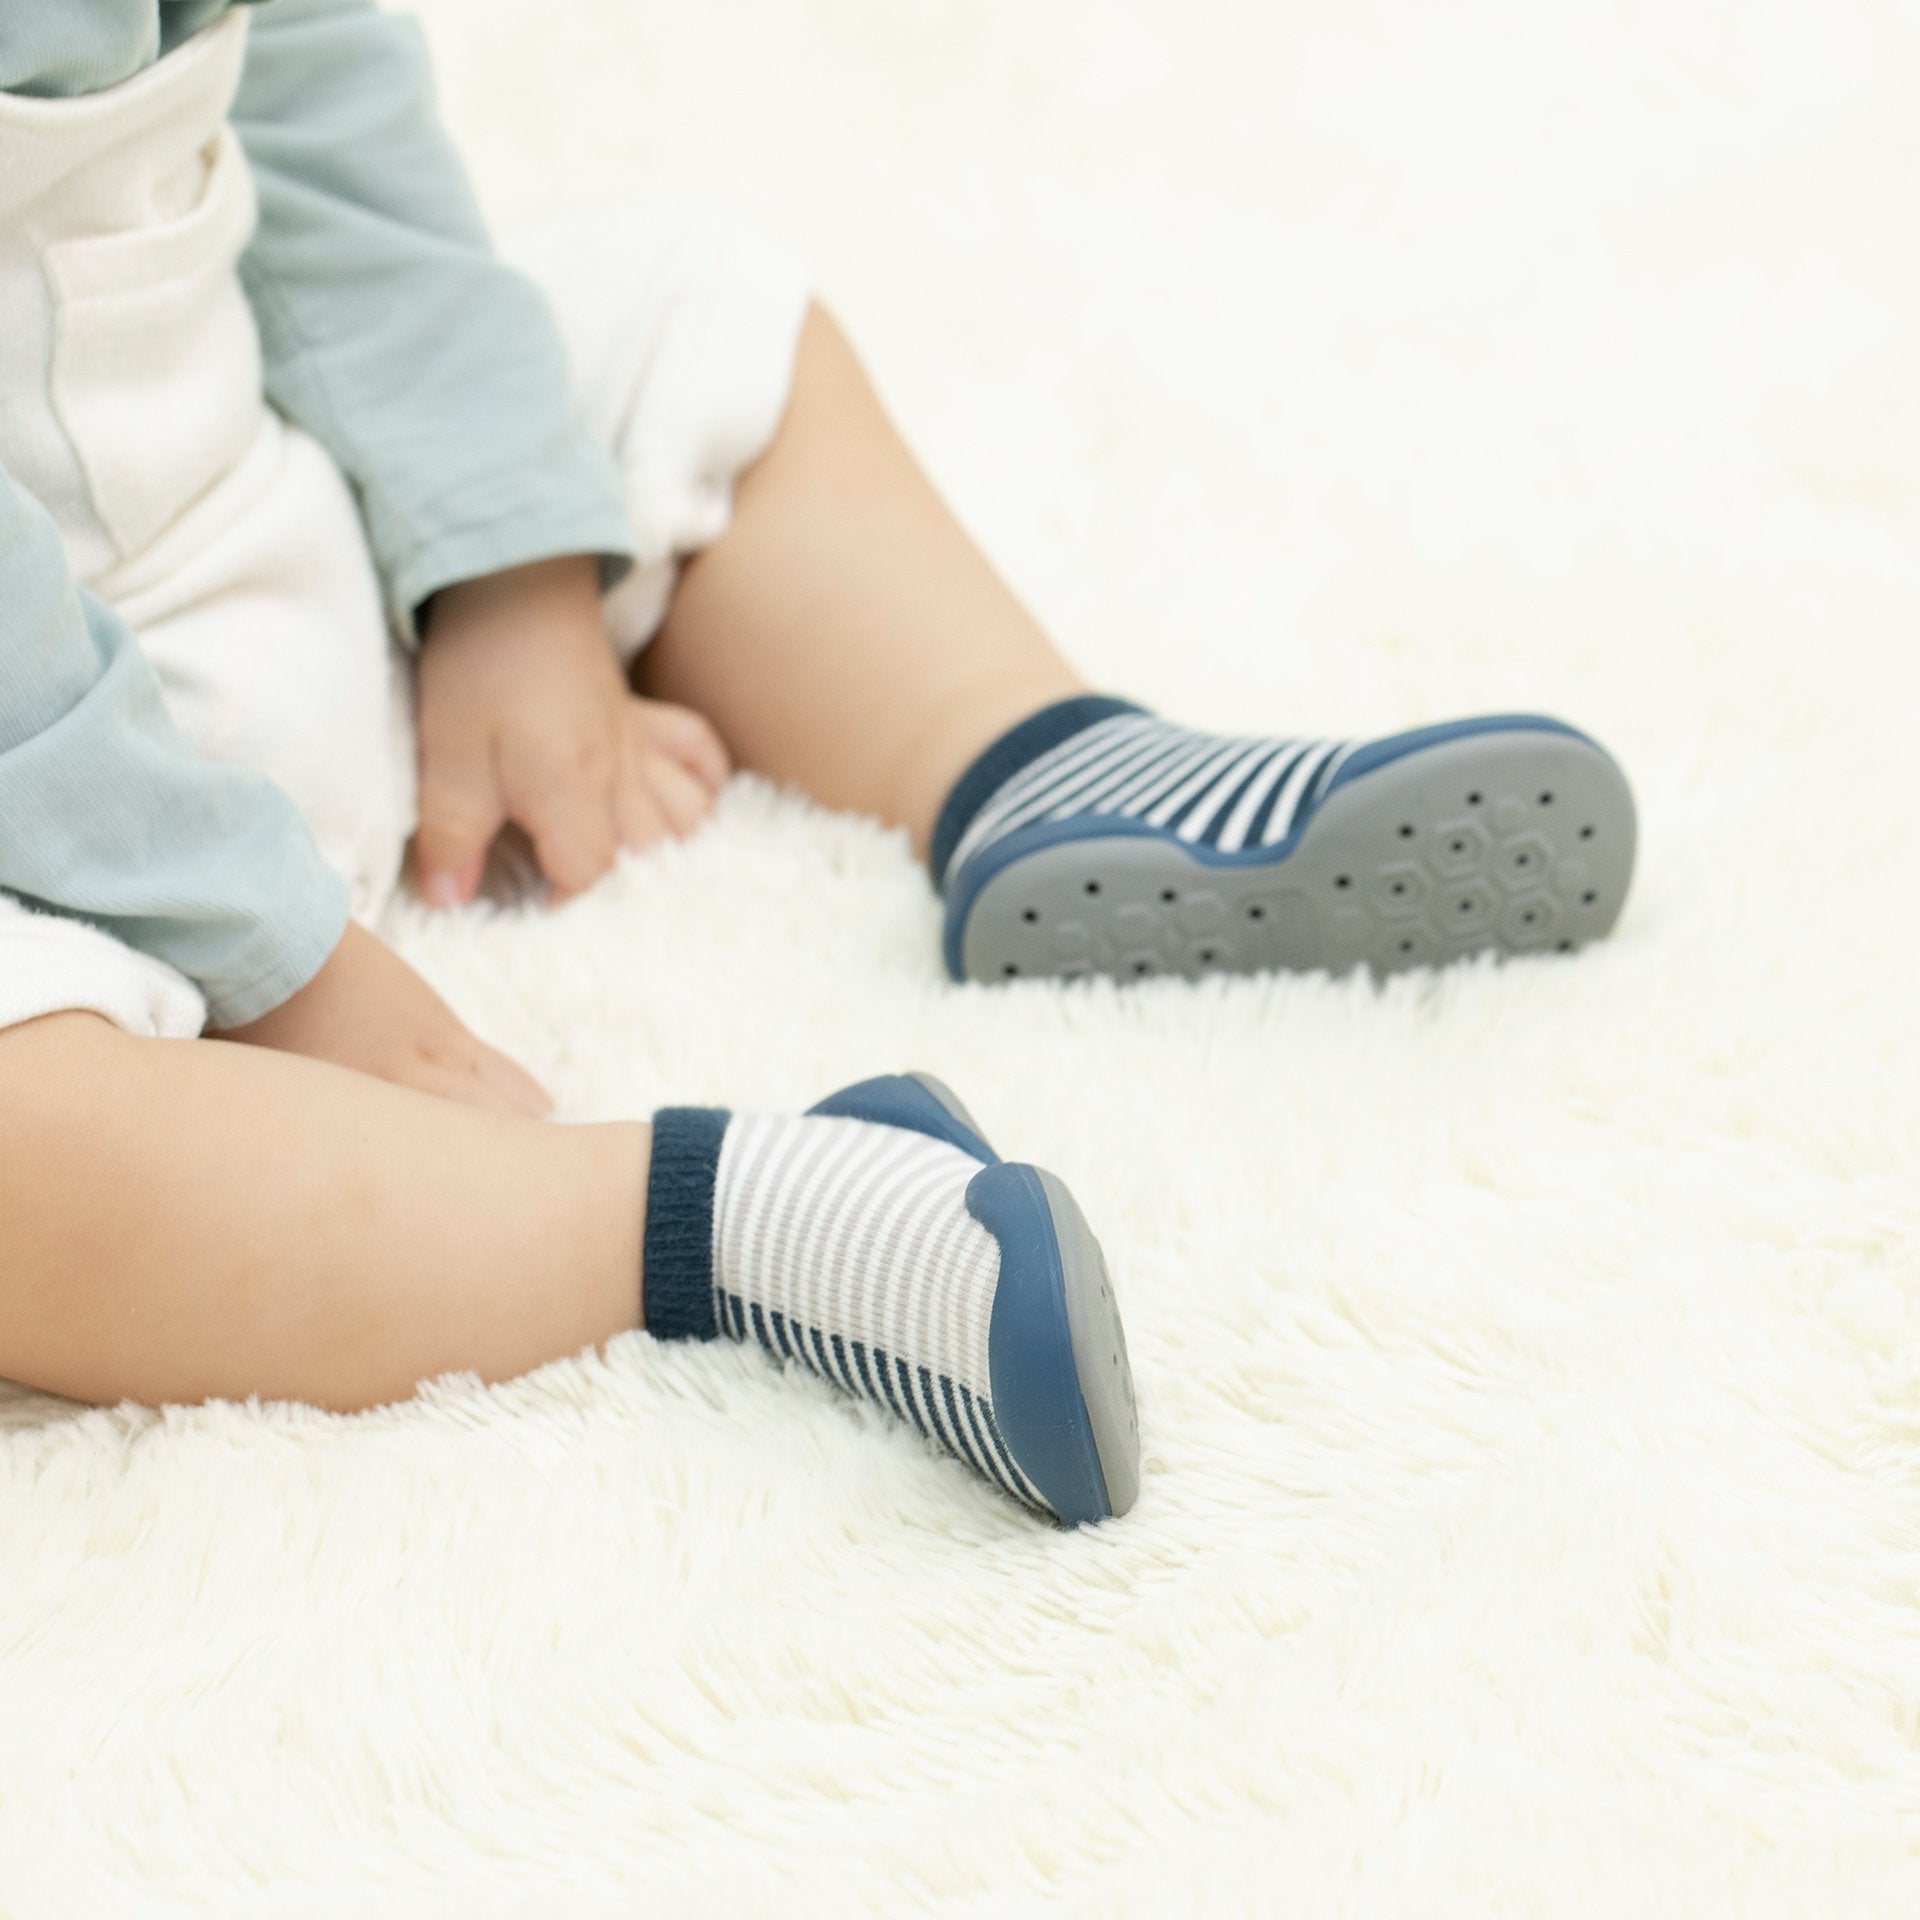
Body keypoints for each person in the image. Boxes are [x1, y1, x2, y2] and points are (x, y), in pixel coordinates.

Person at [0, 1, 1634, 1525]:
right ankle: (742, 1224)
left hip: (225, 488)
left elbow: (317, 121)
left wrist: (506, 568)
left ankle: (1033, 763)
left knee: (698, 314)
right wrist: (268, 952)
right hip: (48, 846)